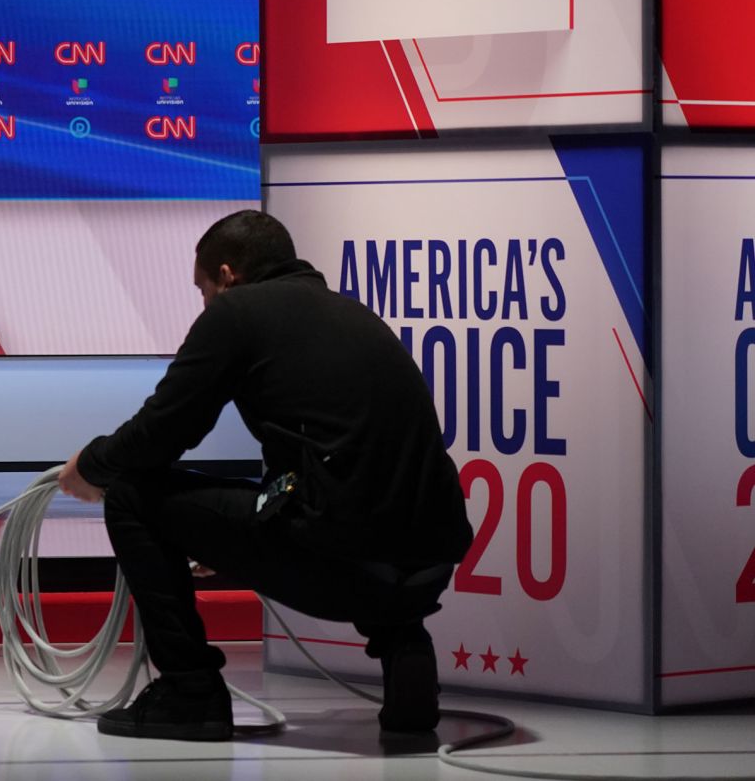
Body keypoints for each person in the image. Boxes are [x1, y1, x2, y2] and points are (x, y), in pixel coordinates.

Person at [58, 209, 473, 740]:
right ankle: (410, 673)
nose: (203, 303)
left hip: (345, 560)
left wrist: (90, 466)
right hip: (425, 568)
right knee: (367, 510)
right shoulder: (352, 314)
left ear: (228, 276)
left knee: (133, 494)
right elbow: (339, 465)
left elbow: (162, 432)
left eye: (202, 289)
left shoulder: (237, 314)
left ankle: (190, 693)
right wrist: (230, 534)